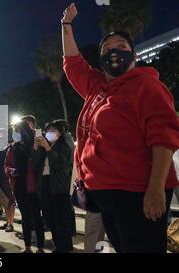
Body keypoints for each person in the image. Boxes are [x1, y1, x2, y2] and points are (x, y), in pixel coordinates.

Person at [62, 3, 179, 252]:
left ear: (134, 56)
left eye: (122, 47)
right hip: (106, 196)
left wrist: (156, 188)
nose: (114, 52)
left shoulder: (146, 86)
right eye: (107, 49)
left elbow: (164, 137)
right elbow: (73, 65)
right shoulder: (97, 87)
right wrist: (66, 25)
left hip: (138, 193)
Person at [35, 120, 75, 253]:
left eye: (53, 131)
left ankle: (65, 246)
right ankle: (59, 245)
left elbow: (60, 164)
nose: (49, 133)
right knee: (50, 217)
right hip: (46, 183)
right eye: (47, 131)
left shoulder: (64, 145)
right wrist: (38, 148)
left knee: (61, 219)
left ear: (61, 132)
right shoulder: (48, 145)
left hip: (59, 187)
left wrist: (47, 147)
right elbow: (38, 165)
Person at [6, 121, 45, 253]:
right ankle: (27, 246)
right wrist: (10, 170)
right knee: (25, 217)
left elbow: (39, 163)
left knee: (37, 217)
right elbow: (6, 165)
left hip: (34, 186)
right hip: (19, 186)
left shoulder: (35, 144)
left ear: (23, 131)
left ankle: (40, 247)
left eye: (17, 130)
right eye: (14, 131)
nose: (15, 134)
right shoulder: (13, 148)